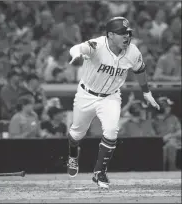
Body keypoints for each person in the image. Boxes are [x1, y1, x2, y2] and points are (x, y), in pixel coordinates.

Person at [67, 17, 160, 189]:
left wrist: (146, 92)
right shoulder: (97, 45)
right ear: (110, 35)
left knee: (111, 131)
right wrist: (76, 54)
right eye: (122, 33)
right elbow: (76, 48)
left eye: (128, 33)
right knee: (76, 135)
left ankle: (99, 172)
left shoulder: (132, 51)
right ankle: (73, 155)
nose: (126, 36)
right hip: (86, 95)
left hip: (110, 96)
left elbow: (140, 70)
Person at [152, 97, 181, 171]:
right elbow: (151, 134)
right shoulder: (153, 120)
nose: (169, 108)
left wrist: (170, 136)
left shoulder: (173, 118)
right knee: (162, 148)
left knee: (171, 144)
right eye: (167, 106)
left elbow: (180, 132)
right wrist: (160, 139)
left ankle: (172, 168)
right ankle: (161, 169)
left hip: (172, 142)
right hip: (157, 143)